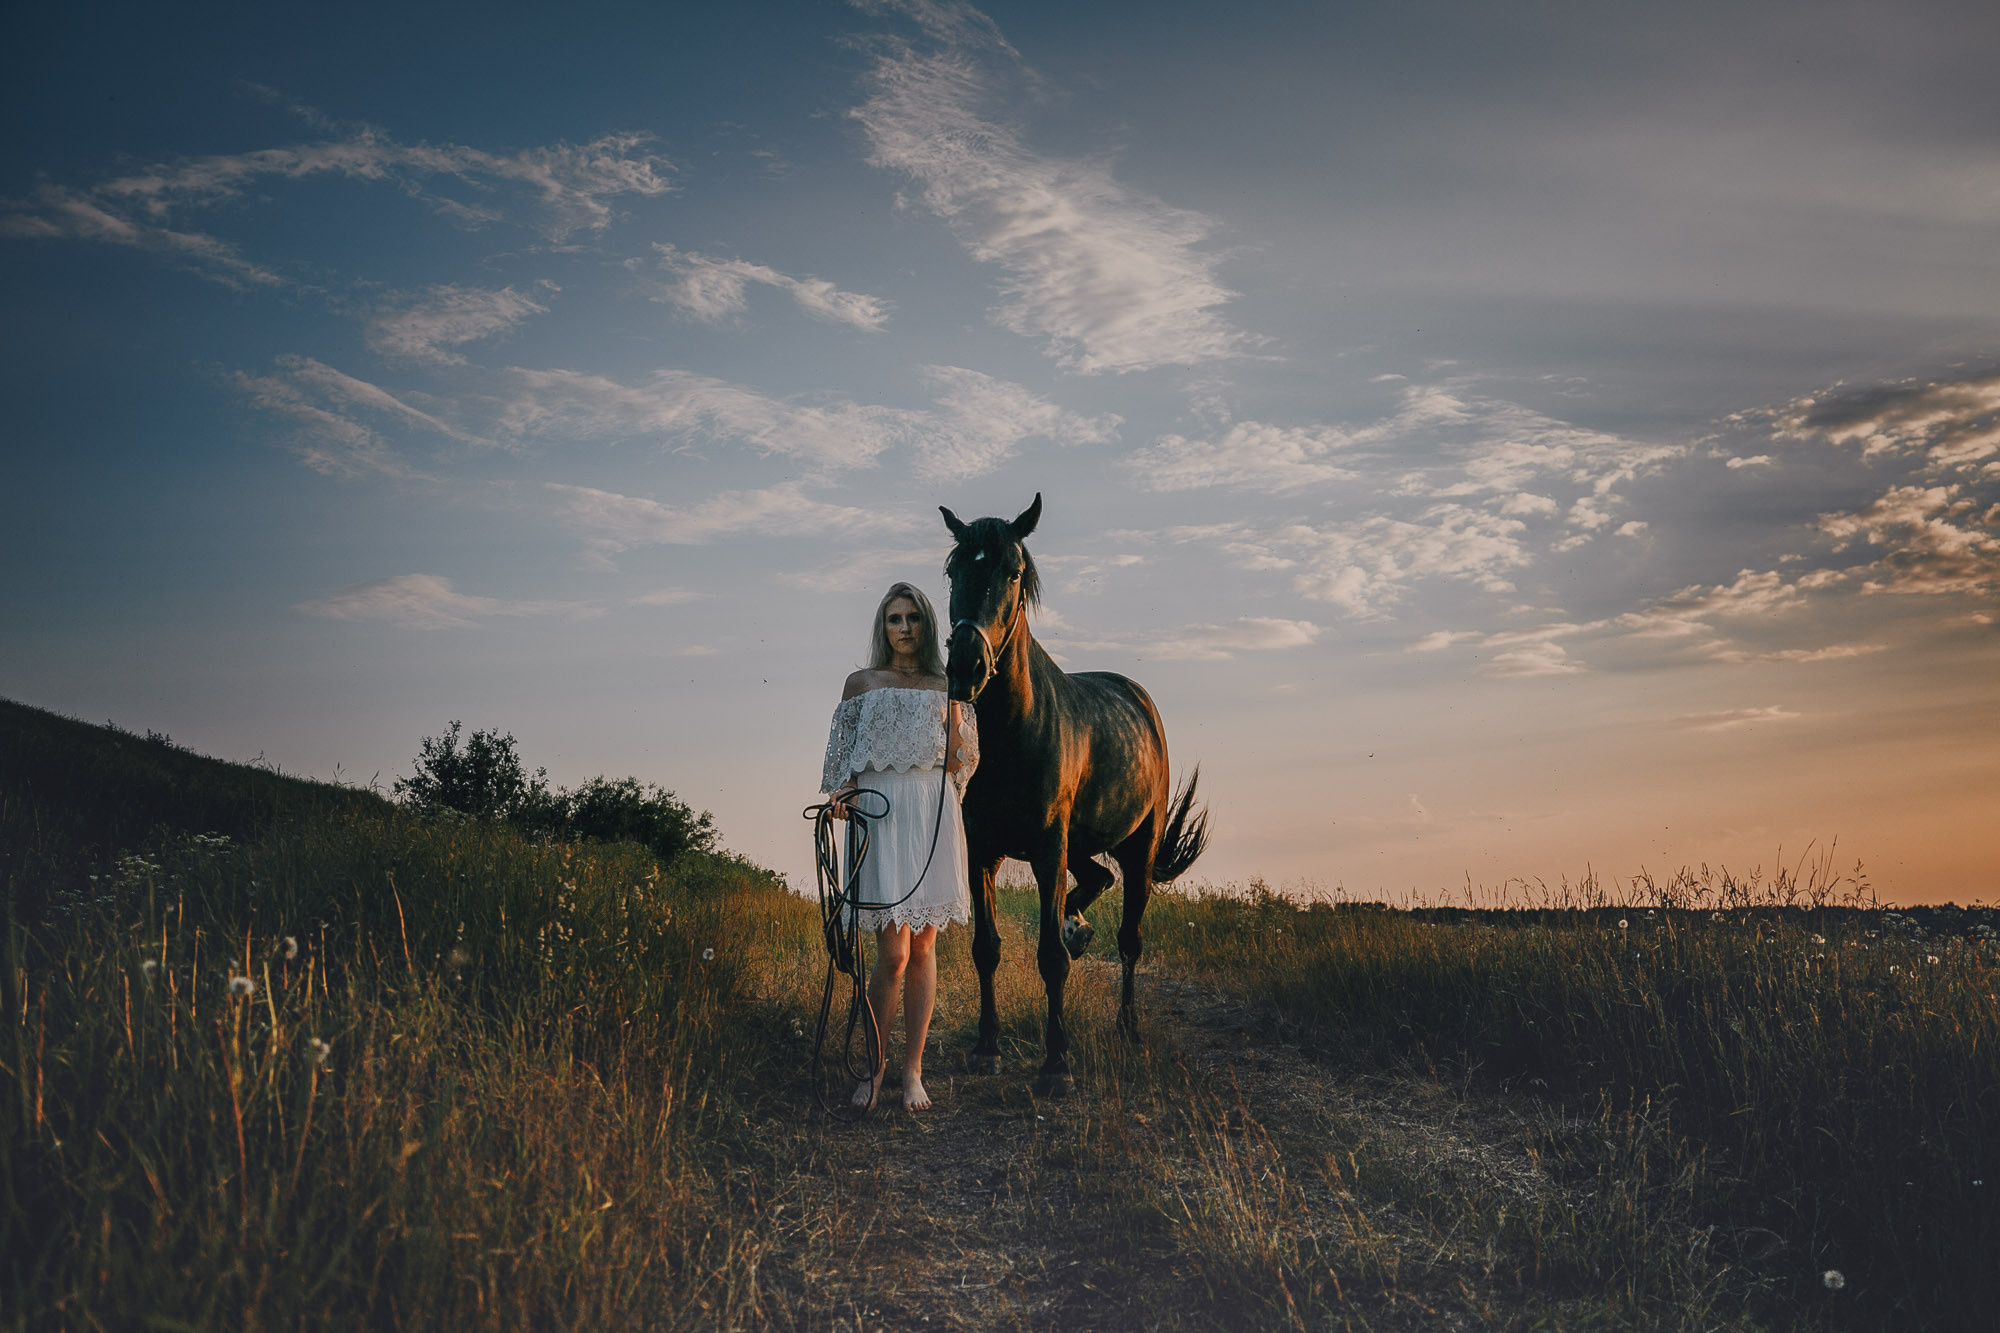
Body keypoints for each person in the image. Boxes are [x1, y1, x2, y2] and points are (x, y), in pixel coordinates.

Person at [820, 582, 978, 1113]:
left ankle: (912, 1073)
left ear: (927, 625)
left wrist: (957, 711)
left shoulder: (945, 683)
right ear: (882, 627)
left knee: (924, 950)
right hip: (879, 818)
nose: (904, 628)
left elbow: (960, 764)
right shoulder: (861, 684)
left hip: (929, 812)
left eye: (912, 618)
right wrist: (842, 796)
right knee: (891, 954)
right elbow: (841, 762)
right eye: (894, 619)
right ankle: (874, 1065)